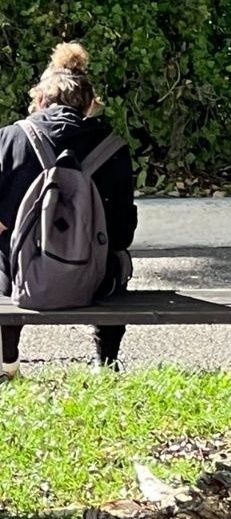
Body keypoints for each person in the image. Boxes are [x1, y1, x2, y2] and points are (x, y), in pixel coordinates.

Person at [0, 43, 137, 380]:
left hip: (17, 280)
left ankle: (8, 364)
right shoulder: (114, 147)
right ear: (90, 106)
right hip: (96, 281)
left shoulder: (8, 139)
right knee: (116, 255)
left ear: (40, 100)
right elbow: (122, 231)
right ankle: (106, 362)